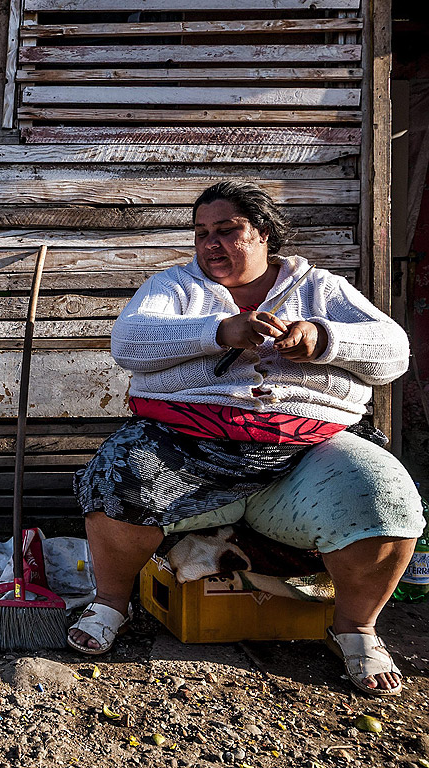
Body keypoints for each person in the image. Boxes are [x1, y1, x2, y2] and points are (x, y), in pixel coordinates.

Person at [69, 180, 421, 697]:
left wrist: (324, 338)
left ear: (263, 233)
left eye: (227, 230)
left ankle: (356, 628)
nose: (211, 244)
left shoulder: (320, 287)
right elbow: (130, 341)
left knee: (386, 497)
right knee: (118, 473)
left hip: (307, 450)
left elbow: (393, 351)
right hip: (187, 446)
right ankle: (110, 604)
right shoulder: (175, 286)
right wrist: (220, 332)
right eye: (201, 233)